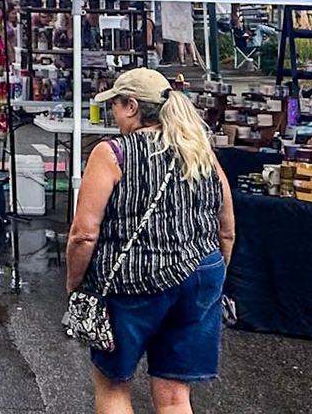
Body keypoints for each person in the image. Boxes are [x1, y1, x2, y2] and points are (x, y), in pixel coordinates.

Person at [66, 68, 235, 414]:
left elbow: (84, 233)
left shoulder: (112, 154)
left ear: (131, 106)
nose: (112, 112)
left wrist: (76, 284)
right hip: (202, 276)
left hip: (133, 281)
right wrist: (210, 276)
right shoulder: (199, 151)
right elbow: (227, 229)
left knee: (113, 385)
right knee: (175, 394)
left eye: (114, 104)